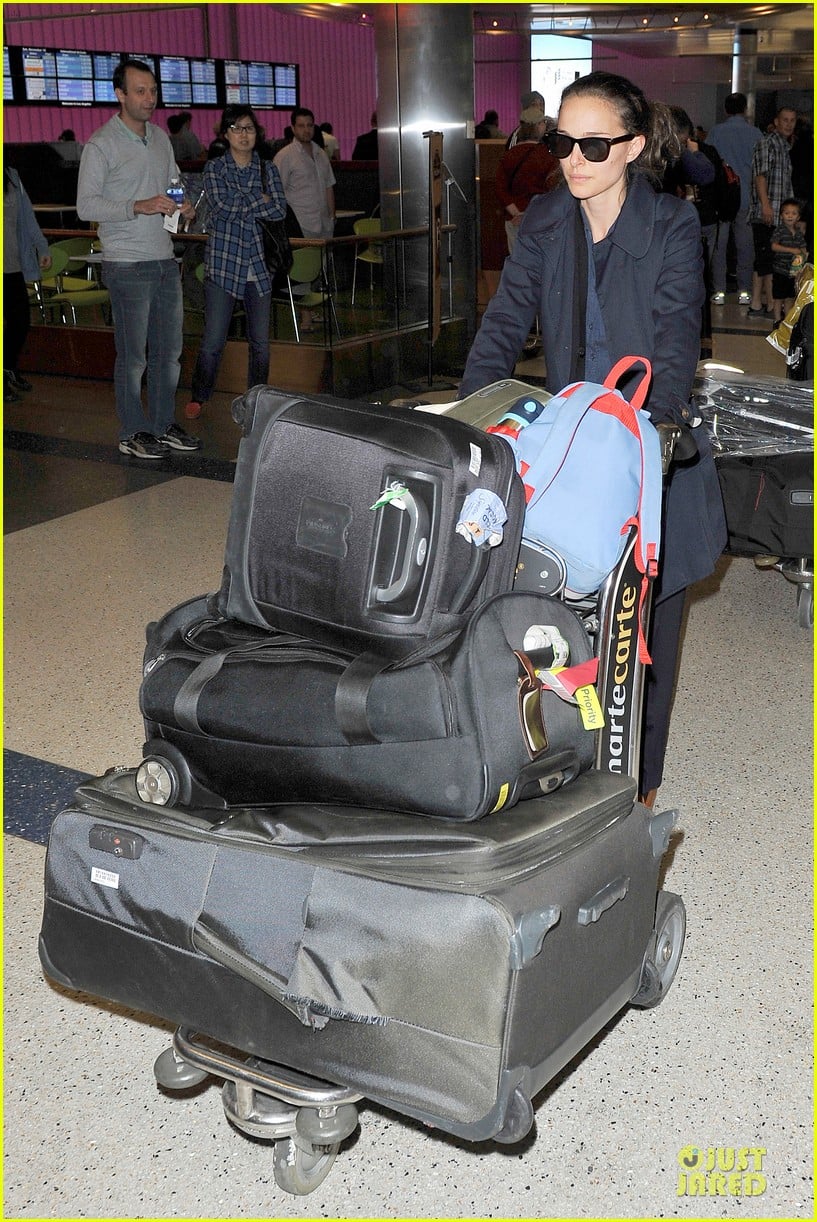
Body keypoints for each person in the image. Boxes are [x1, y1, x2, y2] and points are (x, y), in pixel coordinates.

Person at [458, 70, 727, 807]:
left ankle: (639, 785)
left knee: (647, 632)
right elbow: (505, 322)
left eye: (593, 144)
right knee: (552, 619)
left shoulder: (670, 225)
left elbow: (675, 339)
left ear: (633, 146)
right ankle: (560, 758)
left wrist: (654, 429)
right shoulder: (548, 218)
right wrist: (473, 415)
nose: (573, 158)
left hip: (644, 445)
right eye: (562, 142)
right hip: (567, 446)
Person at [76, 58, 200, 460]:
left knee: (169, 353)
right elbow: (86, 205)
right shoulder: (101, 144)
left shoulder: (161, 138)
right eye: (141, 91)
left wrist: (182, 207)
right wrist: (139, 205)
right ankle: (133, 430)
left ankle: (163, 425)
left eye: (153, 91)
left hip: (164, 258)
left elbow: (174, 182)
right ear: (120, 95)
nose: (150, 98)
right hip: (127, 263)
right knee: (133, 358)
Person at [183, 105, 287, 421]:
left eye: (249, 128)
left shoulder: (268, 170)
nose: (244, 134)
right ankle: (199, 395)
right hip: (223, 266)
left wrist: (244, 203)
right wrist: (259, 202)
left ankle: (256, 402)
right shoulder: (215, 168)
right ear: (226, 134)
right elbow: (221, 205)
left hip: (259, 268)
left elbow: (280, 210)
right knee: (213, 341)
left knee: (261, 345)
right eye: (237, 128)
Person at [706, 92, 763, 306]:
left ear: (726, 109)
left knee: (720, 245)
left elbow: (710, 162)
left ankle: (719, 291)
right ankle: (744, 290)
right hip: (746, 196)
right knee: (745, 245)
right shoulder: (755, 133)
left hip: (722, 197)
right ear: (745, 109)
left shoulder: (716, 132)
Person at [3, 166, 52, 402]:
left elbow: (27, 216)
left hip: (11, 265)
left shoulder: (11, 176)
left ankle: (8, 366)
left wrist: (42, 246)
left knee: (20, 322)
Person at [748, 106, 796, 315]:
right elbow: (761, 176)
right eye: (785, 120)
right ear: (776, 121)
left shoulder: (784, 147)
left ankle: (762, 304)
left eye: (792, 120)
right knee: (767, 261)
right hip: (766, 213)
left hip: (779, 214)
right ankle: (763, 305)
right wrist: (766, 205)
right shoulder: (767, 143)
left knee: (768, 261)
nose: (788, 124)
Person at [495, 107, 558, 253]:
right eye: (543, 123)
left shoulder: (509, 155)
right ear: (538, 126)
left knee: (518, 263)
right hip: (542, 218)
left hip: (513, 218)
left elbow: (500, 188)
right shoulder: (548, 156)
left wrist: (517, 213)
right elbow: (553, 189)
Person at [770, 198, 808, 323]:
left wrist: (804, 255)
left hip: (793, 272)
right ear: (781, 215)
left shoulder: (798, 233)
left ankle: (786, 320)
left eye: (793, 213)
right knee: (778, 297)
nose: (790, 216)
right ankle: (777, 319)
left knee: (789, 297)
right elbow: (774, 246)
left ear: (798, 217)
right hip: (780, 270)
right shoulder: (780, 230)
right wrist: (791, 250)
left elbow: (802, 248)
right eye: (787, 213)